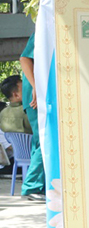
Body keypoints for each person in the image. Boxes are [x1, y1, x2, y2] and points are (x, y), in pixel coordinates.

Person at [18, 34, 44, 198]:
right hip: (37, 96)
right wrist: (36, 87)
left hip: (38, 94)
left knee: (40, 140)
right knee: (45, 137)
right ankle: (32, 187)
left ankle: (38, 186)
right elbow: (24, 59)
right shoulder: (46, 26)